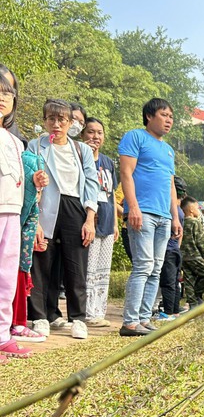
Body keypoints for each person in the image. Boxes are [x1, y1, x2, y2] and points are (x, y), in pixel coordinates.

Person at [27, 99, 99, 340]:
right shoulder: (35, 147)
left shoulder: (82, 150)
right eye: (51, 119)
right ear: (45, 121)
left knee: (76, 264)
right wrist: (34, 219)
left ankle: (77, 317)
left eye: (62, 120)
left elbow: (91, 184)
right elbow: (28, 183)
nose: (56, 124)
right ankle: (40, 316)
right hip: (44, 208)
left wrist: (90, 218)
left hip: (74, 207)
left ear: (71, 123)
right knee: (41, 262)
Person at [118, 98, 182, 337]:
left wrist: (175, 217)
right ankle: (130, 321)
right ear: (149, 116)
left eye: (171, 117)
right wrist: (132, 207)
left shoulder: (168, 149)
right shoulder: (135, 137)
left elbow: (170, 185)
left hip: (164, 216)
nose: (169, 120)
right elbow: (126, 172)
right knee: (143, 266)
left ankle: (144, 318)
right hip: (142, 212)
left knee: (156, 268)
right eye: (164, 115)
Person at [0, 65, 48, 359]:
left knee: (6, 277)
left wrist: (35, 182)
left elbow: (23, 184)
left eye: (7, 93)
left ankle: (2, 334)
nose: (3, 98)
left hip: (11, 215)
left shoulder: (15, 142)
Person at [82, 117, 118, 327]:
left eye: (99, 132)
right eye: (90, 132)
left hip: (107, 220)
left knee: (104, 269)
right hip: (90, 221)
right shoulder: (80, 158)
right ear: (82, 134)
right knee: (90, 268)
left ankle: (99, 311)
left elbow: (111, 193)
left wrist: (114, 222)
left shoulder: (107, 162)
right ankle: (87, 312)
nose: (95, 136)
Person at [157, 176, 186, 320]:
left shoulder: (169, 209)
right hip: (175, 250)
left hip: (168, 250)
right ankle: (174, 311)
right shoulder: (179, 211)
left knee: (167, 282)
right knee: (174, 282)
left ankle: (168, 312)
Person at [180, 196, 204, 308]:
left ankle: (193, 305)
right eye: (197, 208)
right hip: (195, 256)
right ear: (191, 210)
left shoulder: (181, 222)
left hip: (184, 257)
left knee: (188, 281)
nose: (198, 211)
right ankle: (195, 294)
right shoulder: (196, 223)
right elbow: (200, 242)